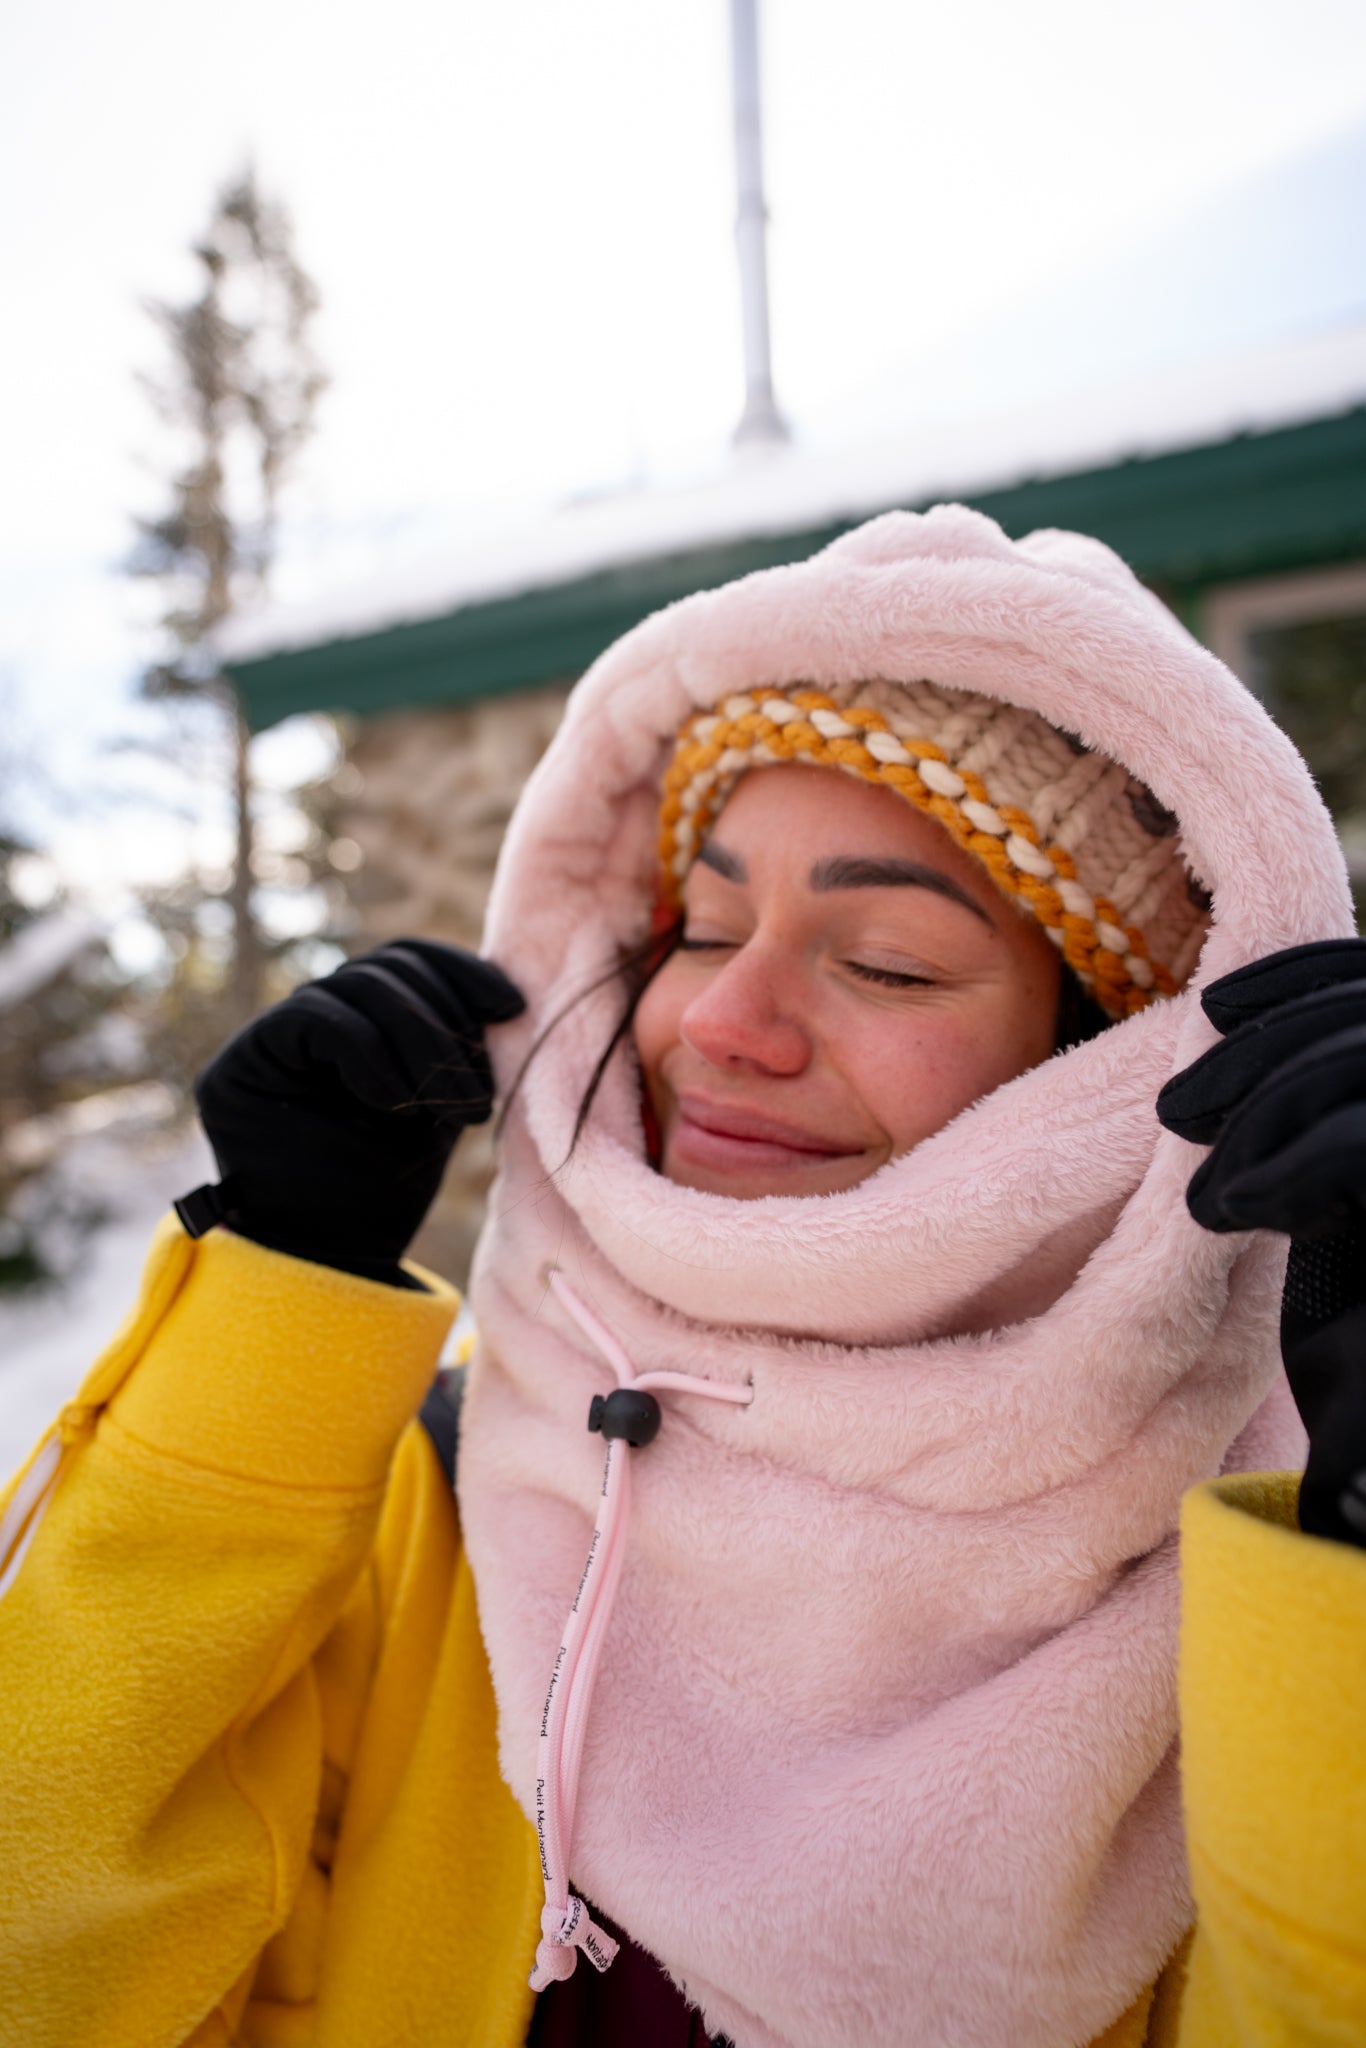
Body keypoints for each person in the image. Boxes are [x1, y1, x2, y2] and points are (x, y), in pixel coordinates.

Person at [1, 505, 1363, 2048]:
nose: (723, 1020)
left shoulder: (1272, 1569)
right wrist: (264, 1323)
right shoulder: (430, 1503)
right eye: (703, 926)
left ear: (1111, 1067)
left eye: (888, 963)